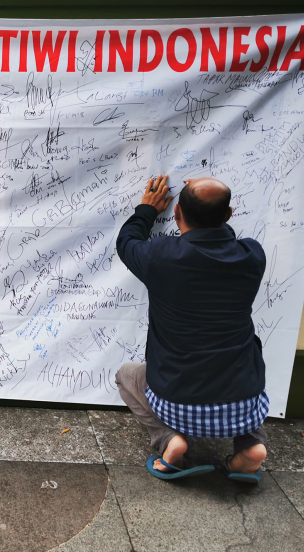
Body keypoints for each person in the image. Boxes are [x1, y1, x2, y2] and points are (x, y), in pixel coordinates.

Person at [115, 175, 269, 483]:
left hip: (175, 401)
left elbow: (127, 241)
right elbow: (223, 240)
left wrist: (147, 208)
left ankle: (170, 441)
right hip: (241, 403)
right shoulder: (253, 256)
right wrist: (210, 201)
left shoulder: (160, 256)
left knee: (127, 375)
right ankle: (251, 447)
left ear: (176, 215)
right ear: (228, 215)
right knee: (246, 375)